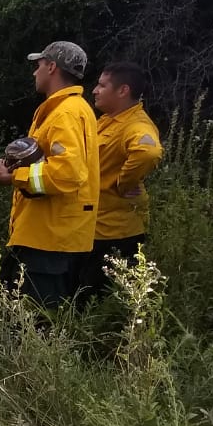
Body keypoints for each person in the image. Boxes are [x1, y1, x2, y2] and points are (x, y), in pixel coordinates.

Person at [0, 41, 99, 309]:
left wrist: (14, 177)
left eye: (38, 65)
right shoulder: (63, 109)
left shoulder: (67, 113)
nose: (34, 72)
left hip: (50, 240)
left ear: (51, 67)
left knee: (35, 323)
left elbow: (68, 172)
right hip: (46, 234)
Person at [79, 60, 163, 299]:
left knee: (96, 300)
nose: (95, 90)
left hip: (116, 233)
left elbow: (148, 152)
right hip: (95, 225)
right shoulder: (108, 120)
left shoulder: (136, 124)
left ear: (123, 90)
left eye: (102, 85)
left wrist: (123, 184)